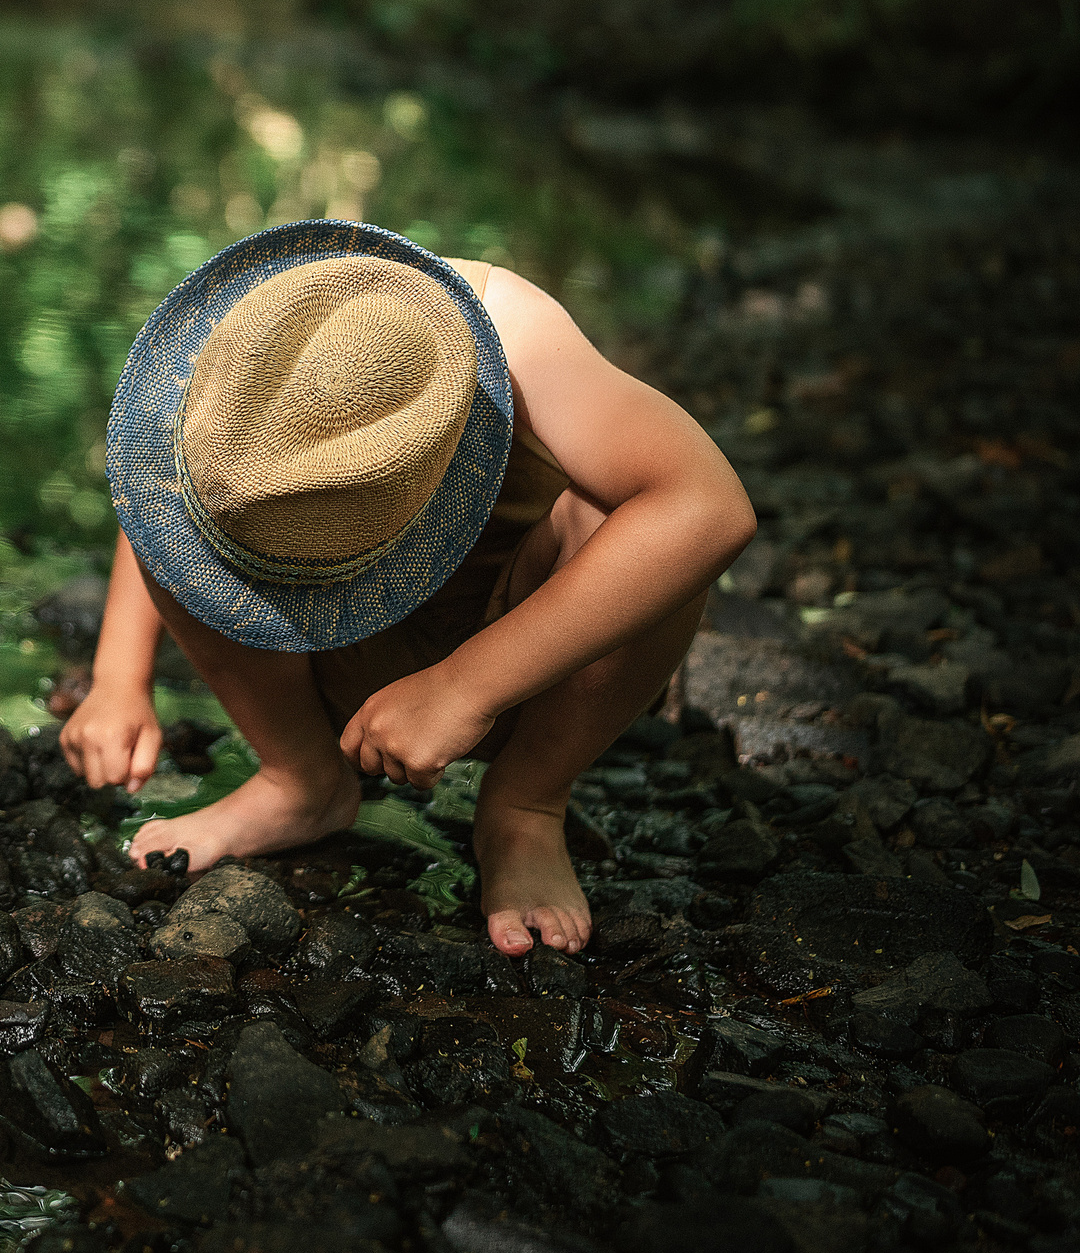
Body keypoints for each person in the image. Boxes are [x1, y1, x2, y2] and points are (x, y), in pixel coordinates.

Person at [59, 220, 754, 957]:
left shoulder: (513, 335)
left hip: (518, 656)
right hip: (320, 653)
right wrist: (118, 677)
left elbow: (709, 505)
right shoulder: (249, 333)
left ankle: (525, 803)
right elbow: (154, 489)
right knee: (183, 514)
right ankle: (300, 777)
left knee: (644, 521)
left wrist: (466, 686)